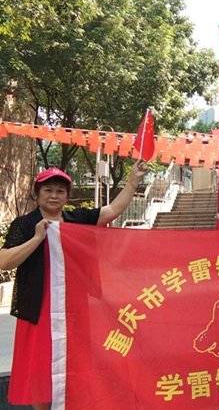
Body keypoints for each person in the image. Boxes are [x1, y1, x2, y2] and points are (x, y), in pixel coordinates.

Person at [0, 160, 149, 410]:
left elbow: (112, 210)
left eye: (60, 191)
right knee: (39, 367)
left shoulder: (76, 219)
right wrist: (37, 238)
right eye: (48, 190)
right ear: (37, 194)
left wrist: (133, 180)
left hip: (74, 307)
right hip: (36, 308)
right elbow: (4, 261)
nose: (54, 195)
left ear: (67, 196)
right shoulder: (24, 224)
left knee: (75, 364)